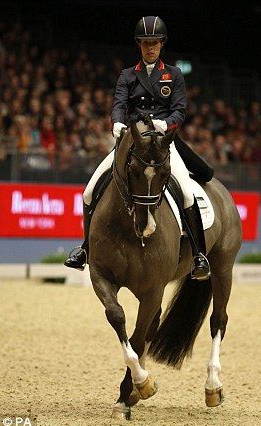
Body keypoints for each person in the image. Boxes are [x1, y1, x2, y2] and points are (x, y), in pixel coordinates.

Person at [65, 16, 211, 281]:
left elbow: (179, 111)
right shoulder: (127, 75)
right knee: (89, 192)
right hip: (132, 143)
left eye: (154, 42)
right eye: (145, 43)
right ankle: (85, 248)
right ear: (139, 45)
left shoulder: (174, 75)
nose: (150, 47)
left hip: (163, 144)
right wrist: (118, 123)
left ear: (161, 44)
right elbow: (119, 104)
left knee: (188, 195)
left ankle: (199, 255)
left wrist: (163, 124)